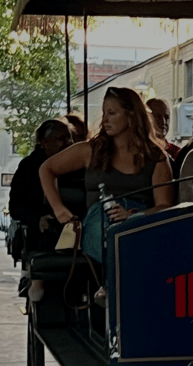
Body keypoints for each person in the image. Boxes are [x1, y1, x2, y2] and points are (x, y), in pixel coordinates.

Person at [40, 87, 174, 266]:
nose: (105, 120)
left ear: (132, 115)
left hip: (138, 224)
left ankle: (112, 286)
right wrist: (58, 208)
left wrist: (132, 215)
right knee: (106, 229)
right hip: (99, 222)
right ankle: (113, 283)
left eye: (112, 113)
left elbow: (164, 206)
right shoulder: (90, 150)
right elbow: (46, 169)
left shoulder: (156, 157)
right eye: (104, 113)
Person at [9, 119, 74, 301]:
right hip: (40, 228)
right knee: (48, 231)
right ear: (44, 143)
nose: (68, 143)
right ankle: (38, 282)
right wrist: (37, 219)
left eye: (70, 138)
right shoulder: (28, 167)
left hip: (72, 223)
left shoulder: (76, 164)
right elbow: (15, 207)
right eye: (62, 139)